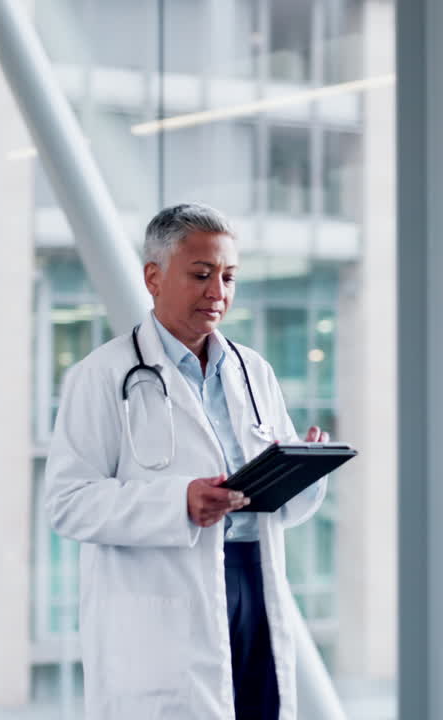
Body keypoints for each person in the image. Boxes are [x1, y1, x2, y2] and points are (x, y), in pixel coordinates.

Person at [43, 203, 329, 719]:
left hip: (253, 580)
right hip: (164, 600)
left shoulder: (252, 371)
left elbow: (277, 502)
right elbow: (68, 503)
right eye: (201, 274)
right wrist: (180, 502)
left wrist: (301, 470)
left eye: (229, 276)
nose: (217, 292)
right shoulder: (103, 375)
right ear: (153, 277)